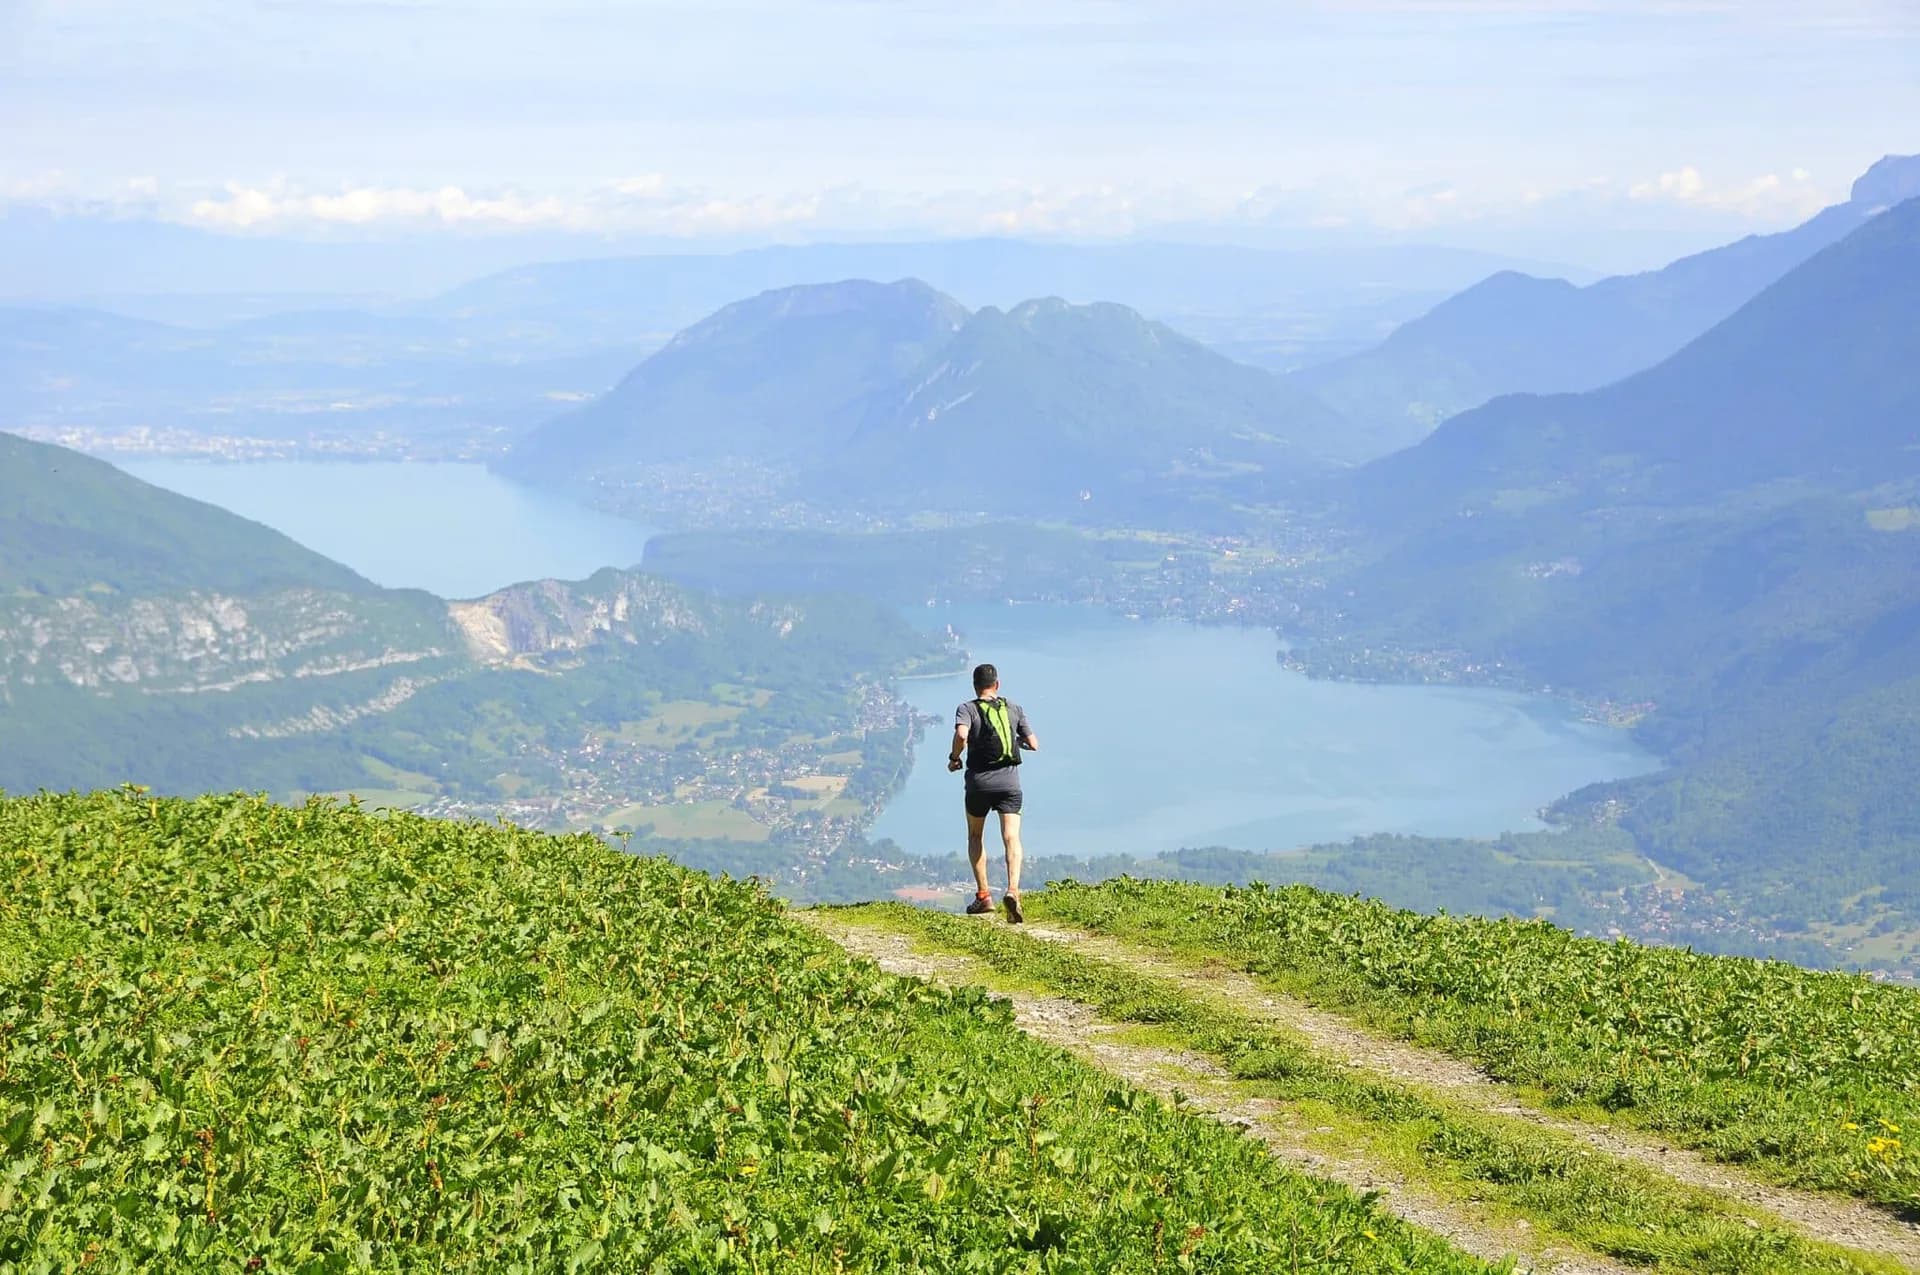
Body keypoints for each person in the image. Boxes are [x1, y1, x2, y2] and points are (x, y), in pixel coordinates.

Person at [947, 662, 1037, 922]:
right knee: (1012, 837)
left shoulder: (967, 709)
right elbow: (1033, 743)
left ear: (975, 686)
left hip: (979, 784)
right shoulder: (1014, 708)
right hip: (1010, 785)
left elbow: (961, 736)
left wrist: (954, 758)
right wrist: (1018, 742)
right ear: (997, 684)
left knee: (976, 836)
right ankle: (1013, 890)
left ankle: (984, 896)